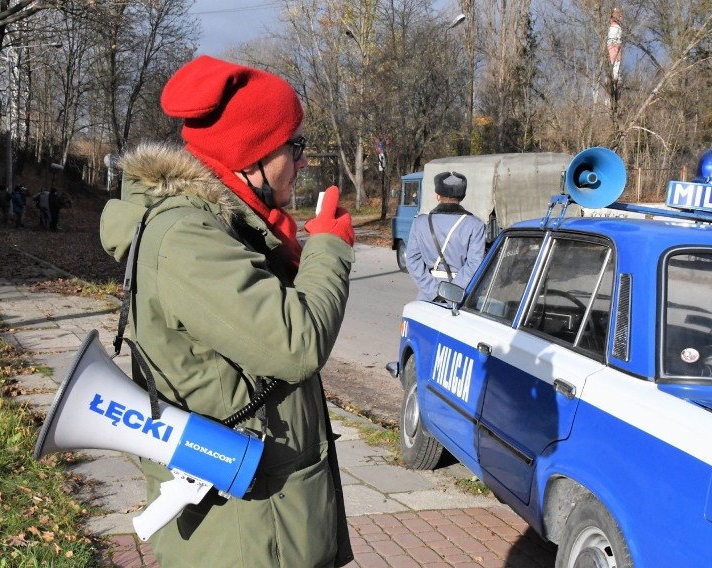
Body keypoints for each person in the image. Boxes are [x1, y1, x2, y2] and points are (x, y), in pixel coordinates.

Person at [99, 56, 355, 568]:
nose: (302, 162)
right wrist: (329, 248)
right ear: (252, 154)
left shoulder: (222, 230)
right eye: (295, 146)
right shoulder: (188, 238)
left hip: (267, 525)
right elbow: (296, 344)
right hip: (246, 537)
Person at [406, 171, 487, 301]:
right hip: (461, 296)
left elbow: (412, 260)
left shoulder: (420, 222)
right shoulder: (475, 225)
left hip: (428, 297)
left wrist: (432, 291)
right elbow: (475, 264)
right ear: (462, 196)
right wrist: (452, 292)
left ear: (438, 196)